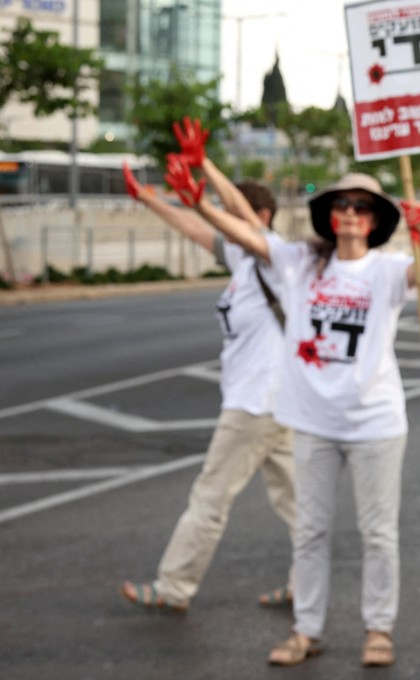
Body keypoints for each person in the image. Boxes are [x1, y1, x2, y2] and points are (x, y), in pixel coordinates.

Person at [165, 153, 420, 668]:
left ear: (375, 219)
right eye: (342, 204)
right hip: (311, 422)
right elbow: (245, 232)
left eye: (361, 206)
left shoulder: (386, 270)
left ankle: (378, 628)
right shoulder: (299, 262)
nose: (351, 212)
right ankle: (305, 629)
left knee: (378, 533)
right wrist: (199, 199)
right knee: (310, 531)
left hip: (374, 424)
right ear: (330, 215)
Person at [119, 118, 296, 614]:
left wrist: (205, 166)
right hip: (276, 404)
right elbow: (197, 227)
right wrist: (149, 199)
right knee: (302, 507)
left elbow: (239, 216)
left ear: (257, 216)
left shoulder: (274, 260)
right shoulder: (243, 261)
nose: (219, 216)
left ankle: (174, 587)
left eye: (228, 210)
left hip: (254, 405)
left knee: (210, 498)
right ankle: (310, 584)